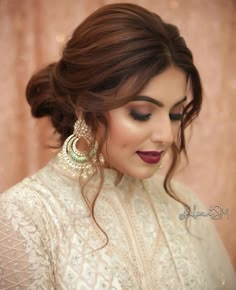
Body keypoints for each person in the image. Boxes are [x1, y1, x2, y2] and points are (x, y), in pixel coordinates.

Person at [0, 3, 235, 289]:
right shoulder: (24, 217)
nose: (167, 135)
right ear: (84, 106)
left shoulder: (183, 204)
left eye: (175, 114)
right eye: (142, 113)